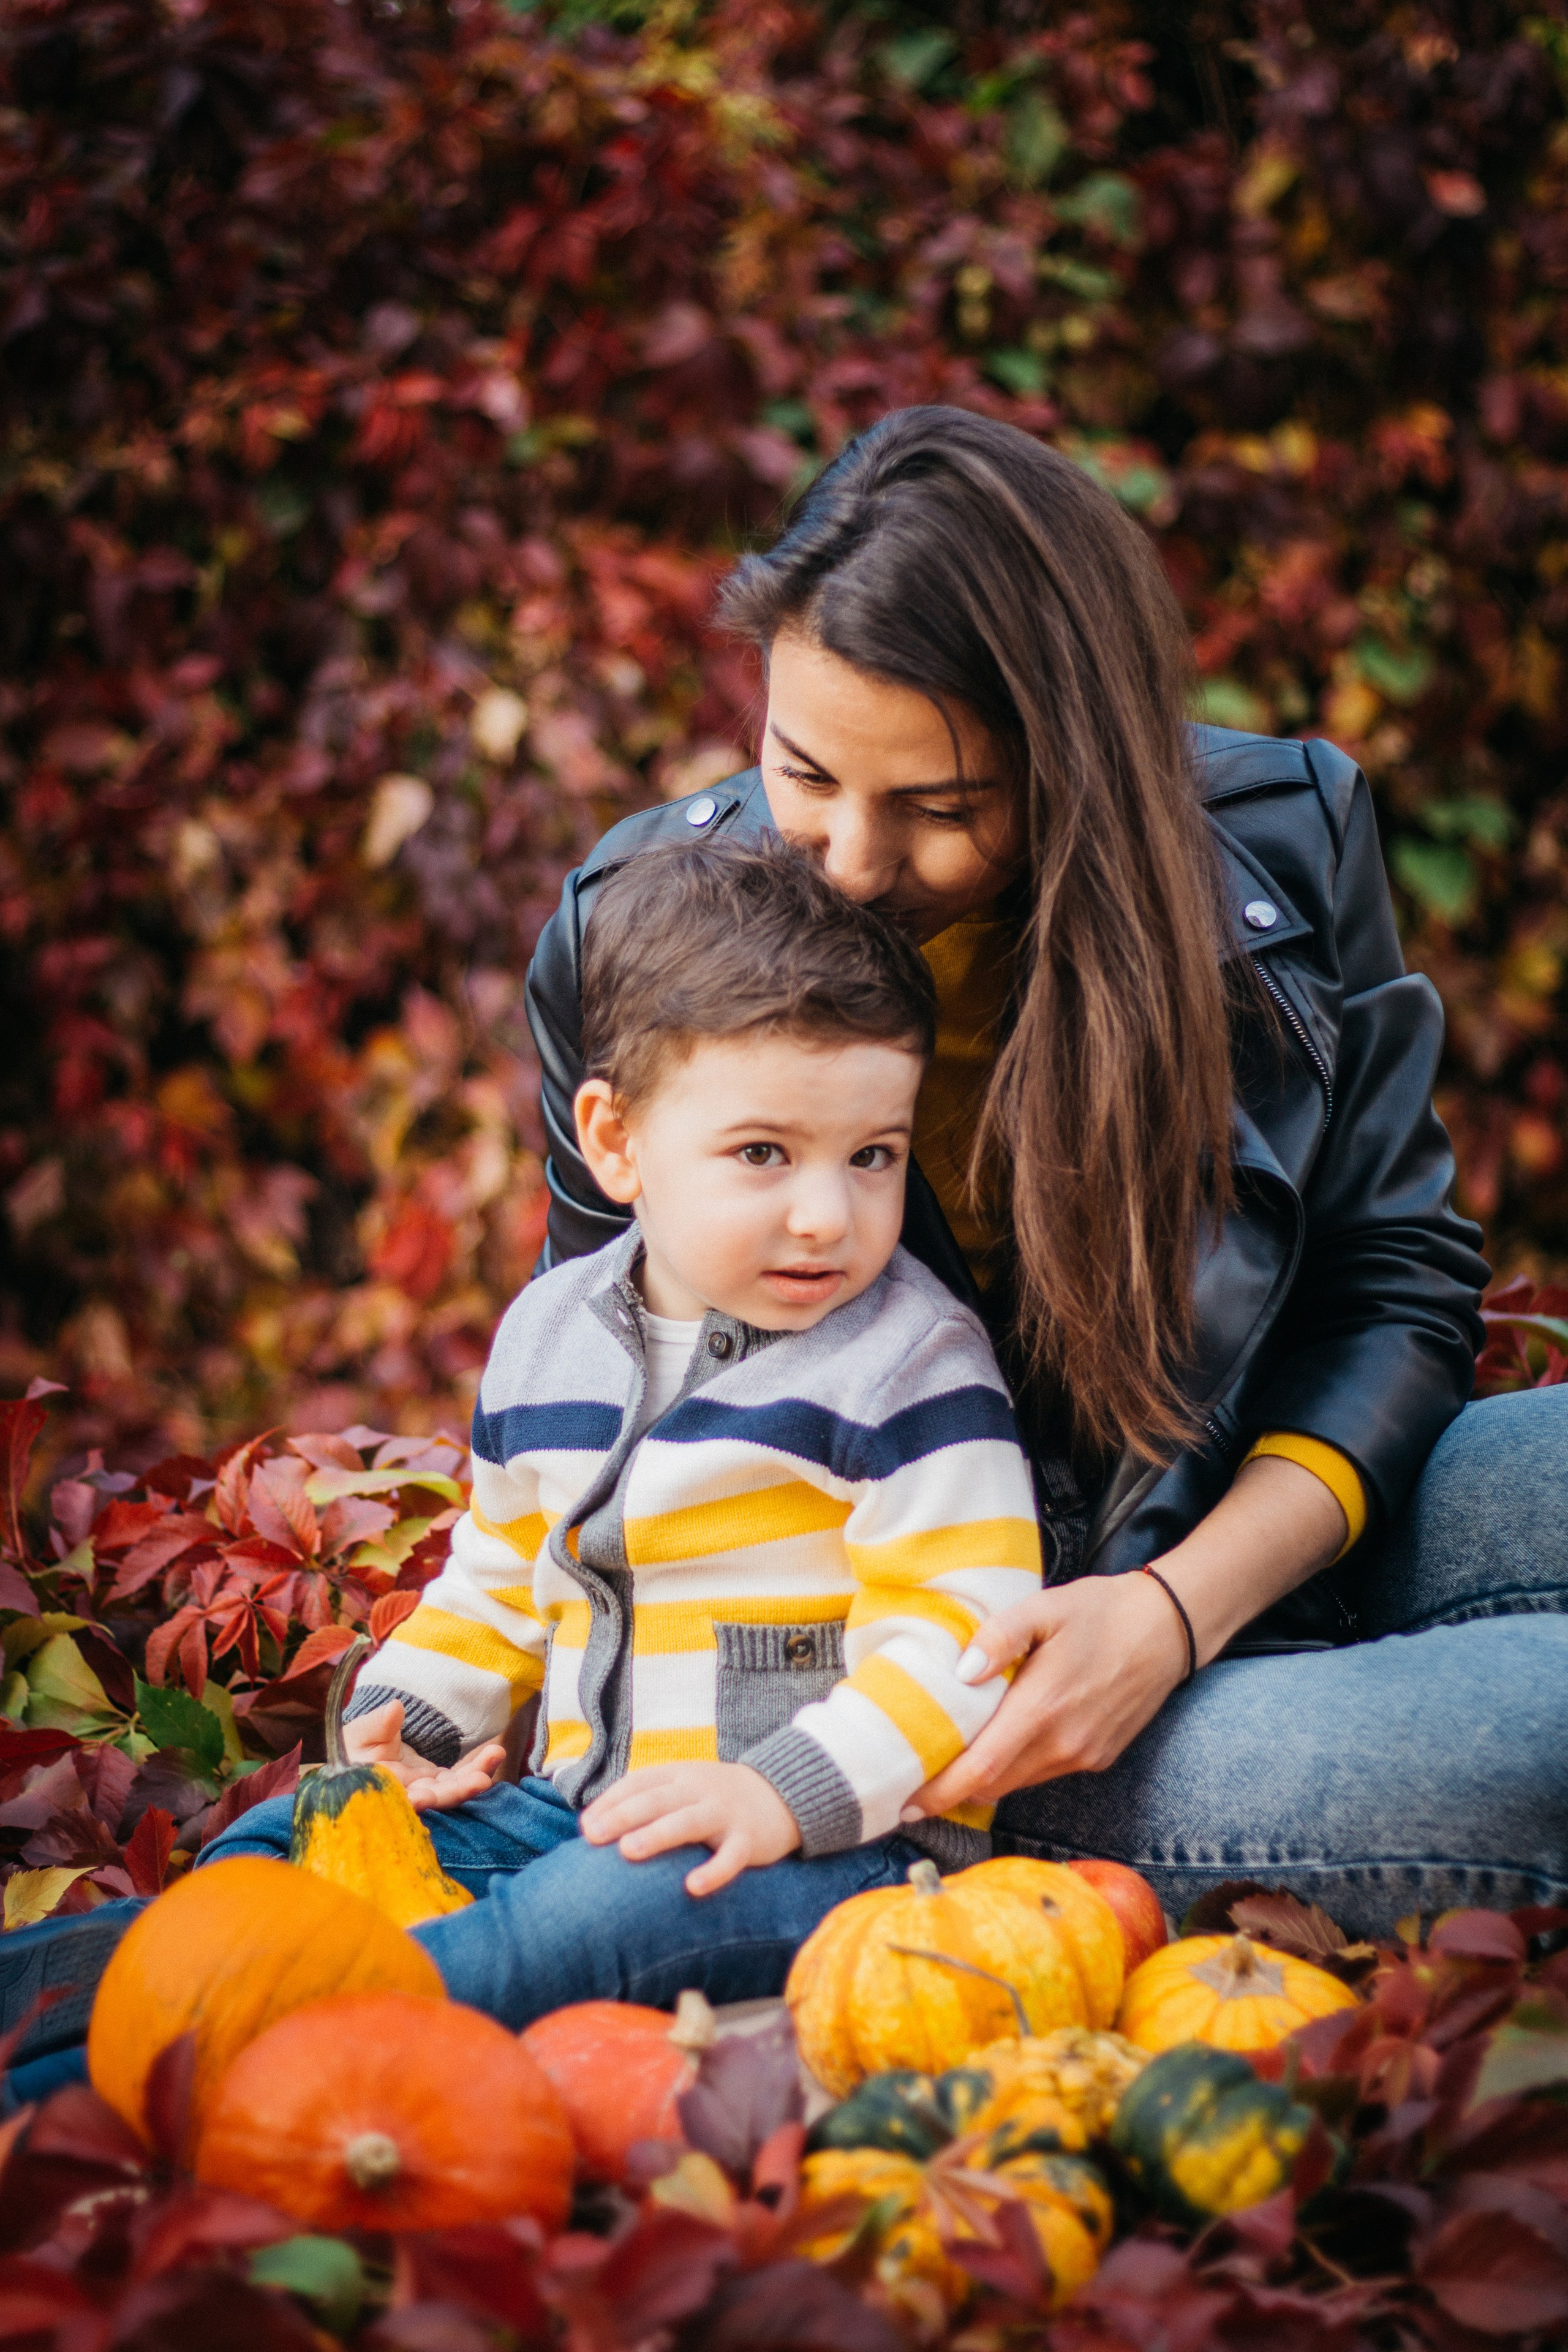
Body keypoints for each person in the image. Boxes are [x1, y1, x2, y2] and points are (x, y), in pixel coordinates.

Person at [524, 405, 1568, 1936]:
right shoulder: (635, 937)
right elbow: (617, 1381)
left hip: (1214, 1548)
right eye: (801, 771)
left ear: (1082, 761)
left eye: (941, 809)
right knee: (1543, 1729)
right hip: (915, 1695)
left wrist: (1171, 1609)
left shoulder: (1279, 845)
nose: (853, 860)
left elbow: (1388, 1291)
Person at [194, 835, 1054, 2024]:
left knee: (558, 1933)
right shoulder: (552, 1332)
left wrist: (777, 1796)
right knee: (268, 1849)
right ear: (614, 1141)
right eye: (763, 1153)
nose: (827, 1213)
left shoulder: (907, 1363)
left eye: (873, 1157)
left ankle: (295, 2030)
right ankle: (151, 2005)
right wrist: (411, 1726)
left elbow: (966, 1635)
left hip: (837, 1851)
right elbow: (496, 1579)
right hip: (575, 1808)